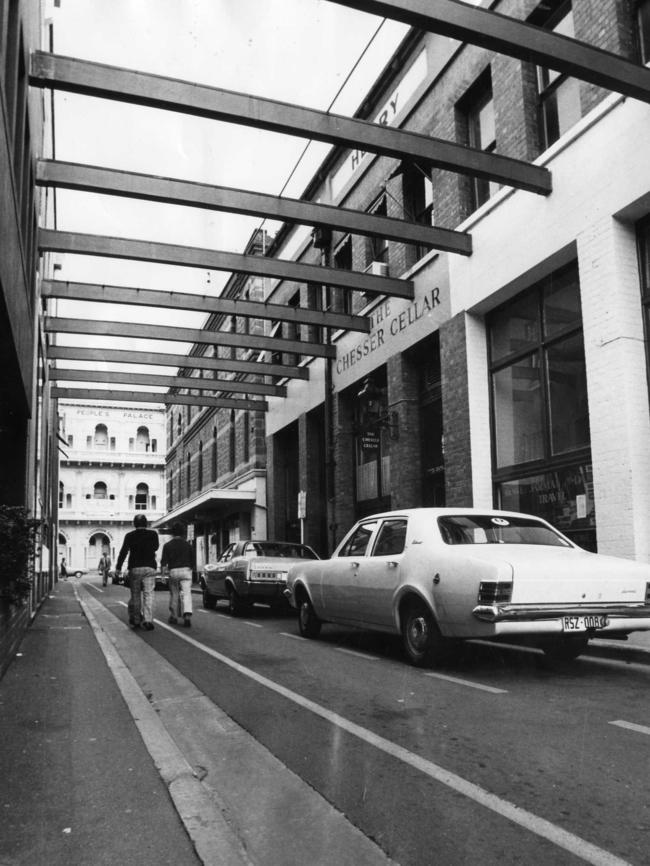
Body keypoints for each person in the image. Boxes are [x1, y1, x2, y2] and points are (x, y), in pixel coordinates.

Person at [115, 514, 159, 630]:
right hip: (149, 567)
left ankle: (136, 620)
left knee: (135, 595)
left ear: (134, 524)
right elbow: (155, 547)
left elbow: (123, 552)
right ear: (146, 523)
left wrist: (118, 567)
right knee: (148, 594)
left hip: (135, 568)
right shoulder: (153, 534)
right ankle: (148, 620)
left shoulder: (129, 536)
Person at [160, 522, 193, 628]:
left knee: (174, 593)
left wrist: (163, 575)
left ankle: (174, 616)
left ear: (172, 533)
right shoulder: (188, 545)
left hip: (173, 571)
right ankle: (187, 615)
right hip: (186, 570)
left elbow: (164, 562)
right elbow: (192, 560)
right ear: (183, 533)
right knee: (187, 593)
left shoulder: (167, 545)